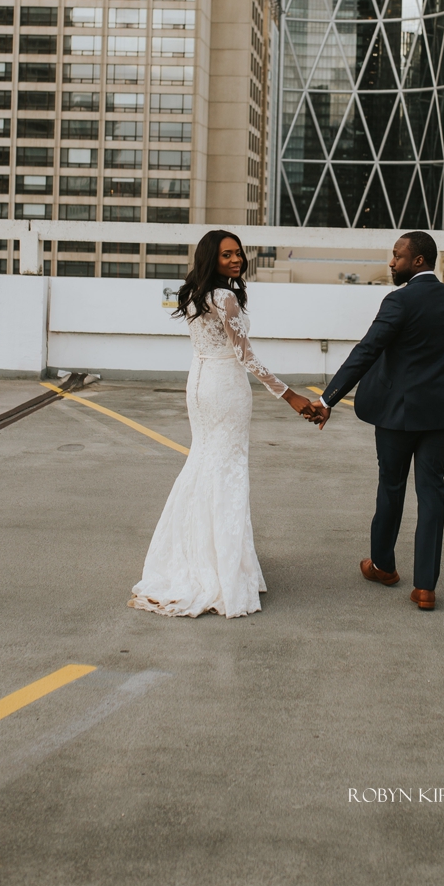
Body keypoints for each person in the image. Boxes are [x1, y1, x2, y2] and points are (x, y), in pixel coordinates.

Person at [129, 230, 314, 618]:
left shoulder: (196, 293)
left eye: (238, 254)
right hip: (224, 386)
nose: (236, 260)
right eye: (227, 254)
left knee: (203, 465)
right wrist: (291, 396)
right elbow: (245, 356)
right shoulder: (225, 297)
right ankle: (220, 572)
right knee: (226, 470)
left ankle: (199, 558)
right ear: (211, 258)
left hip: (199, 381)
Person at [304, 231, 444, 611]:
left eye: (397, 256)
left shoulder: (399, 299)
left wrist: (328, 398)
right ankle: (426, 588)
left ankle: (383, 566)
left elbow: (368, 350)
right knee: (432, 493)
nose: (391, 262)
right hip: (439, 411)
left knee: (391, 486)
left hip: (396, 414)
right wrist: (441, 393)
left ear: (418, 261)